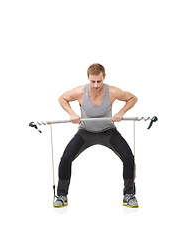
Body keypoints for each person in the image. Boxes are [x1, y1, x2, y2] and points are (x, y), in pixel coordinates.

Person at [54, 63, 139, 208]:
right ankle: (62, 196)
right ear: (88, 78)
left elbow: (132, 98)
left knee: (128, 157)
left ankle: (129, 195)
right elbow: (62, 98)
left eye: (99, 81)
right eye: (92, 81)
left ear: (104, 77)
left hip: (108, 131)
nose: (95, 85)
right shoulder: (80, 91)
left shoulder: (112, 91)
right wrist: (72, 114)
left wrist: (121, 113)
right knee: (66, 158)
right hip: (85, 132)